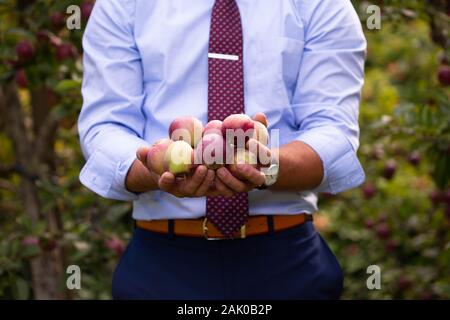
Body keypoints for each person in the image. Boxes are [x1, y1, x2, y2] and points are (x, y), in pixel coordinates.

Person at [78, 0, 366, 299]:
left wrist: (268, 166)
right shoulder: (124, 4)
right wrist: (156, 167)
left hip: (287, 262)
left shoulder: (321, 4)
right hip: (160, 264)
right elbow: (105, 128)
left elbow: (334, 134)